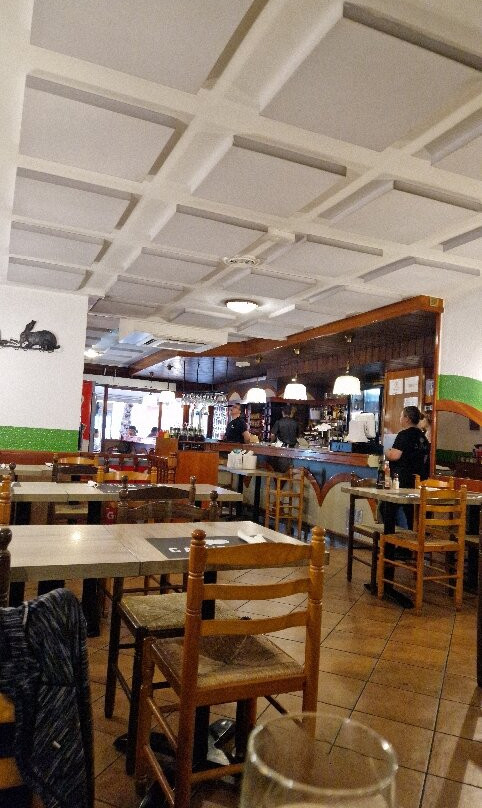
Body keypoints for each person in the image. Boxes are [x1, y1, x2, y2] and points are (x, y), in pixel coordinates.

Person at [386, 405, 430, 528]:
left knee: (388, 508)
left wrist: (387, 452)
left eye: (401, 416)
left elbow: (395, 456)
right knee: (411, 513)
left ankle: (392, 538)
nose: (400, 418)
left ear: (407, 418)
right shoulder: (423, 437)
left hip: (403, 480)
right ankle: (411, 536)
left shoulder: (404, 435)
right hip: (420, 481)